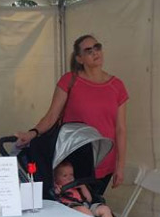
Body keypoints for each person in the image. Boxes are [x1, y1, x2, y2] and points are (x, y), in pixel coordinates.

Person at [15, 34, 128, 194]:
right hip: (74, 156)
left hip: (104, 156)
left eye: (97, 47)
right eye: (89, 50)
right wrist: (33, 133)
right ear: (79, 59)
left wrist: (120, 166)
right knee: (76, 204)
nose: (95, 53)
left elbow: (121, 129)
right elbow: (52, 115)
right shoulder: (70, 80)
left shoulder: (117, 86)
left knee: (93, 202)